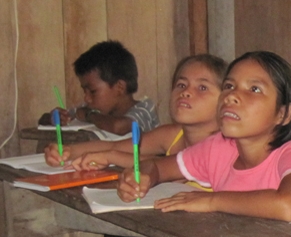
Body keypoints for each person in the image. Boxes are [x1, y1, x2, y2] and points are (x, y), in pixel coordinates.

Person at [117, 51, 291, 225]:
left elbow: (288, 206)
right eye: (228, 86)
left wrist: (211, 201)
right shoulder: (219, 148)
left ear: (284, 114)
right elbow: (158, 167)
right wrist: (142, 177)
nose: (231, 96)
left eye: (254, 89)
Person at [43, 54, 226, 170]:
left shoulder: (225, 145)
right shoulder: (172, 134)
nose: (186, 91)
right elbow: (116, 146)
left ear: (225, 100)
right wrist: (68, 151)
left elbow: (173, 168)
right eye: (181, 84)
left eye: (202, 87)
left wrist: (111, 157)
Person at [38, 40, 160, 134]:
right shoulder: (93, 109)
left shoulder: (145, 109)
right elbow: (43, 120)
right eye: (84, 91)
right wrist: (54, 118)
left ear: (120, 87)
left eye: (92, 91)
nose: (87, 98)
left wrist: (89, 115)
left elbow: (118, 127)